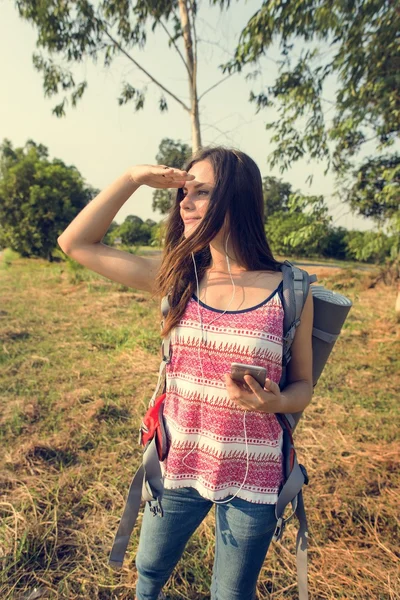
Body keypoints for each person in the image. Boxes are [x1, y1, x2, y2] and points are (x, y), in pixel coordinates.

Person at [57, 146, 313, 600]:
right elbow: (75, 243)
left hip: (254, 475)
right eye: (183, 192)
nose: (185, 203)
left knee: (231, 595)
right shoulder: (178, 277)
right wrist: (133, 177)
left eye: (202, 192)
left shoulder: (291, 290)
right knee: (150, 573)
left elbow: (303, 387)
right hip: (178, 462)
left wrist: (275, 401)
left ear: (237, 198)